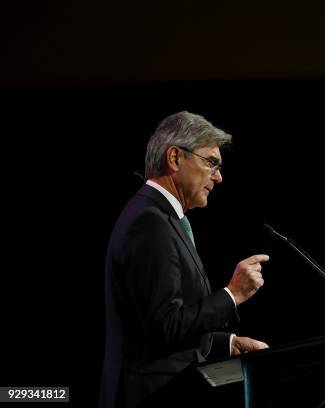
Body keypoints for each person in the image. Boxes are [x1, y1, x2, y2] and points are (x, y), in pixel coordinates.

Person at [100, 111, 269, 408]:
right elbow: (165, 328)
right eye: (211, 162)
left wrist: (227, 344)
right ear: (175, 158)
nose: (218, 176)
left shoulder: (161, 219)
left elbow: (161, 329)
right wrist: (233, 294)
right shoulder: (149, 223)